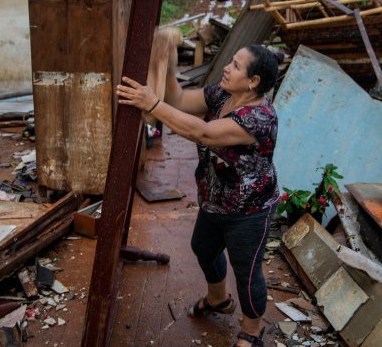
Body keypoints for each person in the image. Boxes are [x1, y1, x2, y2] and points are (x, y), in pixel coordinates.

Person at [117, 44, 279, 347]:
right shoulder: (221, 94)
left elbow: (201, 132)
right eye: (230, 62)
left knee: (246, 272)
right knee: (203, 248)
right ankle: (217, 299)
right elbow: (178, 100)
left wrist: (151, 104)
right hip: (215, 199)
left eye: (236, 65)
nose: (227, 68)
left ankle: (252, 332)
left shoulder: (260, 118)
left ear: (254, 81)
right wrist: (167, 60)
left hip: (249, 210)